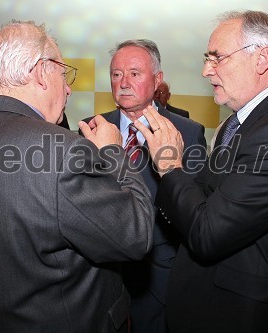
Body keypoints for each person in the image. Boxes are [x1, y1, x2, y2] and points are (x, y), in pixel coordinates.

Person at [0, 20, 155, 333]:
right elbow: (135, 235)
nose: (67, 88)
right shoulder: (62, 150)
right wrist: (112, 153)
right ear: (40, 72)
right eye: (63, 74)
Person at [134, 10, 268, 332]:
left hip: (241, 314)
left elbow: (208, 233)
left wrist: (169, 165)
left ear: (261, 59)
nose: (206, 70)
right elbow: (209, 197)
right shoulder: (242, 122)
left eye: (216, 58)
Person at [83, 39, 206, 333]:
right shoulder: (90, 128)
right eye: (116, 74)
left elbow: (193, 204)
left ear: (157, 80)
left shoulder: (187, 131)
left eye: (134, 74)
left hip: (158, 269)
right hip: (101, 268)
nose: (123, 82)